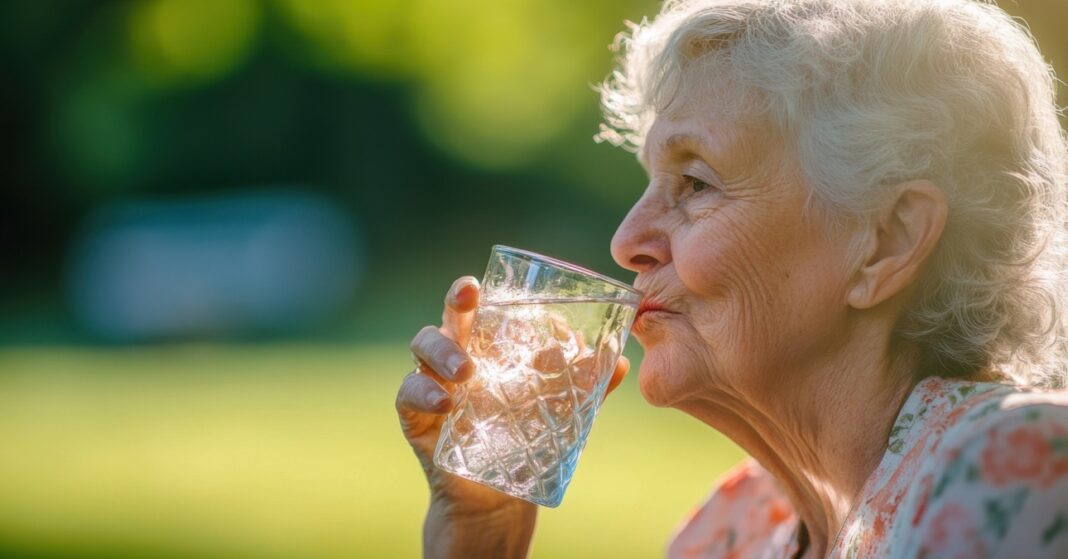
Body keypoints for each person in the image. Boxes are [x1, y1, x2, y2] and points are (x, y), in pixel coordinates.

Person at [396, 0, 1068, 556]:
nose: (626, 241)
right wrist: (481, 539)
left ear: (885, 243)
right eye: (649, 181)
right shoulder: (731, 528)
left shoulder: (1018, 465)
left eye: (694, 183)